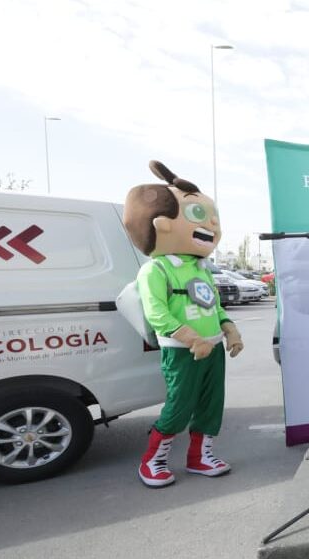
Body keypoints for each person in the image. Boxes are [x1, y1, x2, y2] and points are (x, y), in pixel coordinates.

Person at [123, 161, 243, 487]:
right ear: (160, 224)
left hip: (213, 347)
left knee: (211, 405)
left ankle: (199, 457)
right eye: (198, 215)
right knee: (179, 406)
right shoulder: (157, 269)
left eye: (212, 217)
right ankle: (152, 461)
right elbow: (157, 313)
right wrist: (192, 338)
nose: (213, 224)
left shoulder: (201, 268)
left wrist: (229, 329)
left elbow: (213, 304)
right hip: (183, 351)